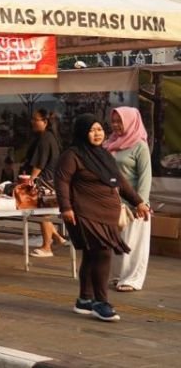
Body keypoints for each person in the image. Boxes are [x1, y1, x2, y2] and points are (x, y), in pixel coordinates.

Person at [57, 113, 150, 322]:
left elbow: (121, 182)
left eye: (99, 129)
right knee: (103, 253)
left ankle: (84, 300)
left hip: (107, 214)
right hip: (85, 212)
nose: (97, 133)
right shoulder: (71, 155)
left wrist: (139, 202)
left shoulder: (104, 154)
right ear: (82, 132)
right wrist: (66, 207)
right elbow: (62, 181)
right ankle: (101, 302)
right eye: (92, 130)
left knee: (92, 255)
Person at [106, 107, 152, 292]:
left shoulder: (140, 145)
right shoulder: (110, 142)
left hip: (134, 204)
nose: (116, 125)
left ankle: (132, 279)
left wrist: (141, 202)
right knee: (117, 242)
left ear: (131, 121)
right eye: (114, 121)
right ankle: (118, 276)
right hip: (113, 203)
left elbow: (145, 176)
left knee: (133, 243)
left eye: (120, 121)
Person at [25, 109, 66, 258]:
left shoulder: (45, 138)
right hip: (51, 181)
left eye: (36, 119)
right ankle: (57, 237)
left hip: (45, 181)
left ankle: (47, 246)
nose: (33, 122)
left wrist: (31, 179)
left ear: (45, 122)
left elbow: (39, 163)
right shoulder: (51, 137)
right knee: (43, 214)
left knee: (42, 214)